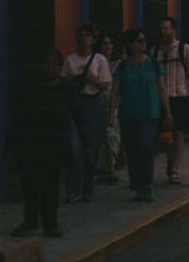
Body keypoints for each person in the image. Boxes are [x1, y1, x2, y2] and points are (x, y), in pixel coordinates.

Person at [6, 47, 89, 238]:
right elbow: (17, 119)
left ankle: (50, 224)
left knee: (50, 188)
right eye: (46, 64)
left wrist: (87, 142)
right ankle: (30, 221)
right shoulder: (31, 90)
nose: (50, 68)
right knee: (30, 188)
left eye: (54, 64)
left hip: (54, 146)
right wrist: (10, 146)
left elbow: (79, 116)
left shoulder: (66, 89)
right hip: (31, 147)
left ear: (60, 67)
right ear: (40, 67)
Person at [109, 28, 171, 202]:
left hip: (149, 113)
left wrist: (168, 111)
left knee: (145, 147)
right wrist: (112, 113)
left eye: (144, 39)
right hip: (128, 113)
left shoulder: (153, 64)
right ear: (130, 45)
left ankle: (148, 184)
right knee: (132, 150)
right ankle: (137, 184)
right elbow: (115, 91)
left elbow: (162, 88)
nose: (143, 43)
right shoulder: (123, 67)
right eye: (139, 40)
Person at [62, 22, 111, 203]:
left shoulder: (100, 60)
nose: (84, 39)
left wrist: (93, 79)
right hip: (75, 104)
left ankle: (88, 190)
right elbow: (63, 82)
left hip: (93, 103)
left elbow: (105, 85)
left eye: (87, 36)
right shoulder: (70, 60)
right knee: (73, 148)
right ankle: (72, 189)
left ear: (93, 39)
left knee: (91, 148)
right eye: (81, 36)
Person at [152, 17, 189, 185]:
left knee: (178, 133)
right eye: (161, 29)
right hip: (160, 98)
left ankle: (174, 169)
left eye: (166, 28)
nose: (163, 32)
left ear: (173, 30)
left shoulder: (184, 49)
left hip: (181, 95)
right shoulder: (154, 51)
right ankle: (171, 161)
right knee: (162, 136)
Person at [95, 32, 122, 184]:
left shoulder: (117, 64)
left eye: (110, 43)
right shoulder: (95, 63)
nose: (107, 46)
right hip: (99, 99)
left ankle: (110, 167)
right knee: (100, 136)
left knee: (112, 134)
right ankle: (103, 168)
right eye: (104, 43)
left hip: (114, 101)